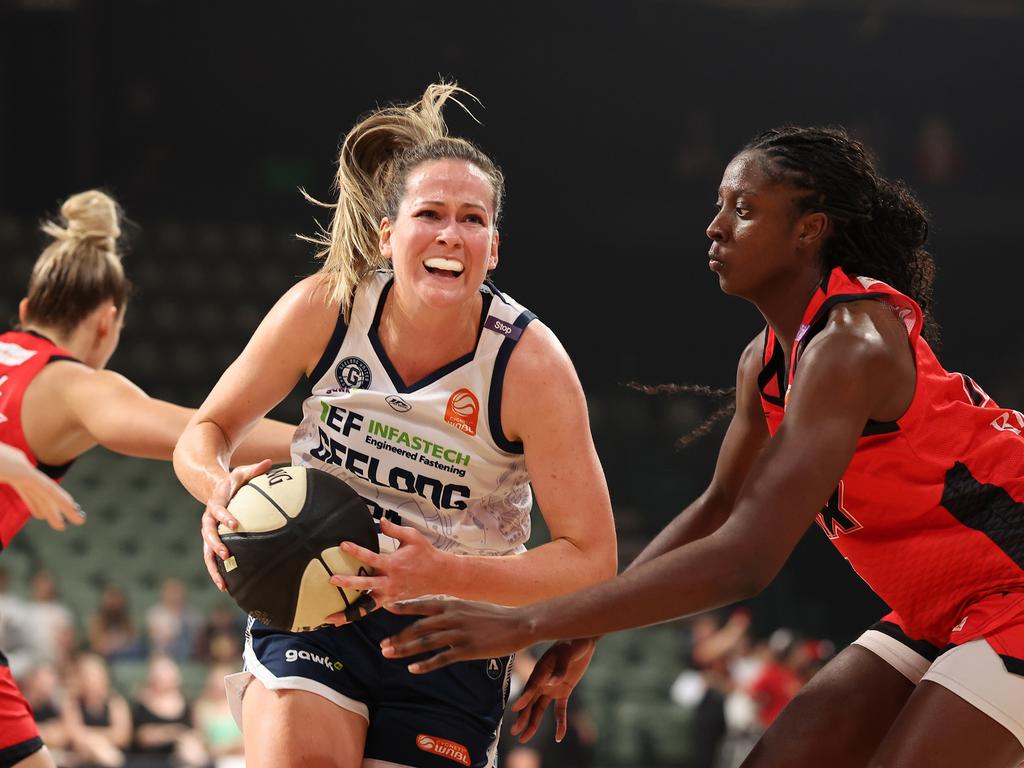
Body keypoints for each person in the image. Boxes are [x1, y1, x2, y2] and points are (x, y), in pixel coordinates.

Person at [382, 126, 1024, 767]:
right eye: (718, 206)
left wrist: (528, 622)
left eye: (742, 210)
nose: (715, 227)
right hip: (940, 603)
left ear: (809, 230)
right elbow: (718, 507)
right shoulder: (767, 361)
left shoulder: (853, 345)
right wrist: (589, 625)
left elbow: (745, 561)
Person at [173, 82, 618, 768]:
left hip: (454, 629)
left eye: (472, 219)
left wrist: (441, 570)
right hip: (316, 596)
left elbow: (592, 557)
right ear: (387, 234)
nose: (450, 233)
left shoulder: (531, 365)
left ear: (493, 247)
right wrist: (218, 489)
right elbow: (207, 430)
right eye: (430, 213)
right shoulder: (325, 307)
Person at [0, 189, 294, 768]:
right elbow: (195, 429)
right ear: (109, 322)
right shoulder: (73, 386)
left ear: (30, 309)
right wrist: (330, 442)